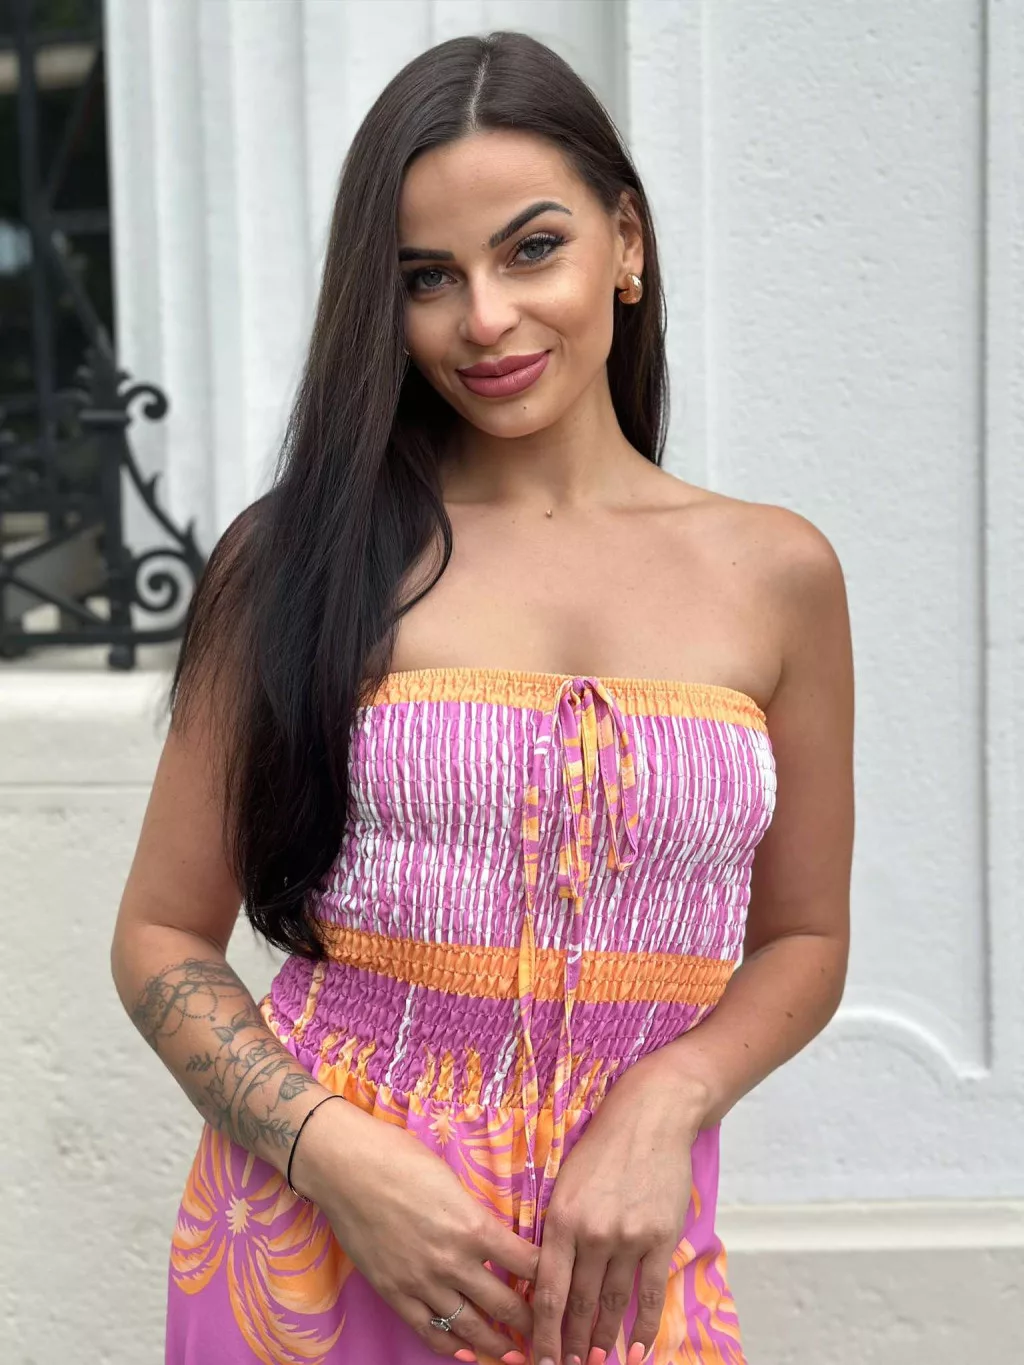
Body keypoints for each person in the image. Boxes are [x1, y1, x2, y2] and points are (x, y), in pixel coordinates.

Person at [110, 29, 854, 1365]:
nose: (486, 319)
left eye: (532, 250)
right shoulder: (297, 562)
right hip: (318, 1249)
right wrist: (333, 1157)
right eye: (427, 279)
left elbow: (803, 936)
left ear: (626, 244)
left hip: (622, 1258)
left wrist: (670, 1097)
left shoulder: (776, 574)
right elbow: (163, 934)